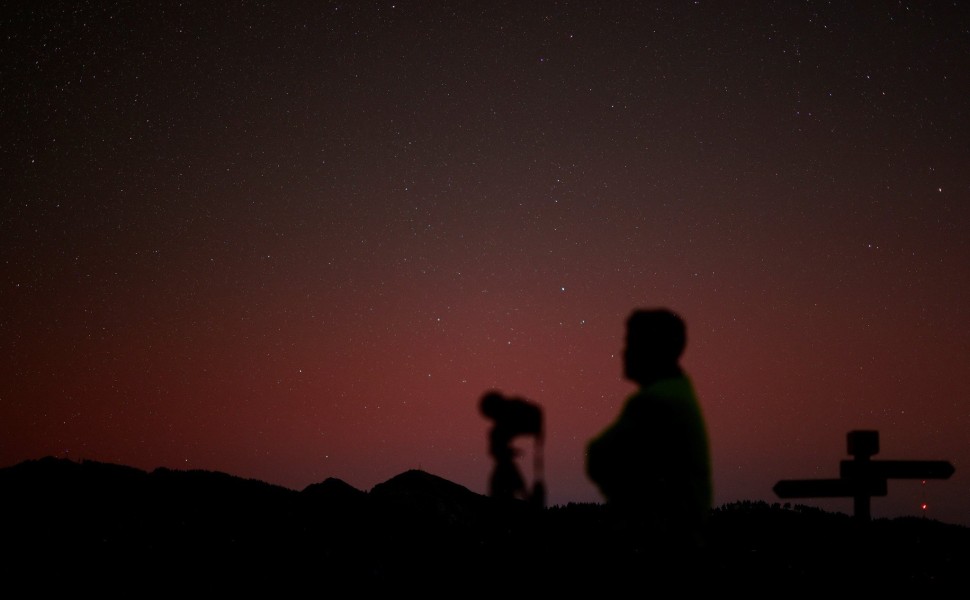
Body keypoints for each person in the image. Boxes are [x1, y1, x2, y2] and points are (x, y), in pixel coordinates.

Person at [586, 308, 713, 552]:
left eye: (631, 343)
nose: (623, 352)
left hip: (659, 546)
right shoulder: (679, 393)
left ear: (651, 349)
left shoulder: (654, 403)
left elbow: (600, 457)